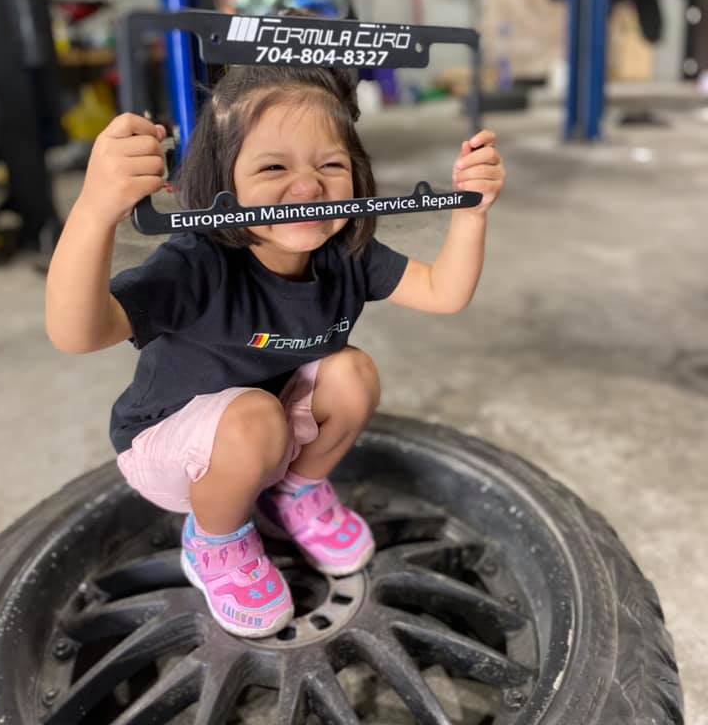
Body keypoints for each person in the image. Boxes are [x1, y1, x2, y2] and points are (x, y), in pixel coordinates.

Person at [45, 63, 505, 638]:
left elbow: (444, 292)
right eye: (273, 167)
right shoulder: (199, 262)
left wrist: (471, 212)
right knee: (255, 418)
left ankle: (291, 493)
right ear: (222, 181)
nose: (308, 188)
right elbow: (77, 333)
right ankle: (215, 542)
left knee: (353, 373)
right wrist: (93, 211)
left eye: (330, 165)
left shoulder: (346, 252)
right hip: (167, 449)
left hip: (265, 434)